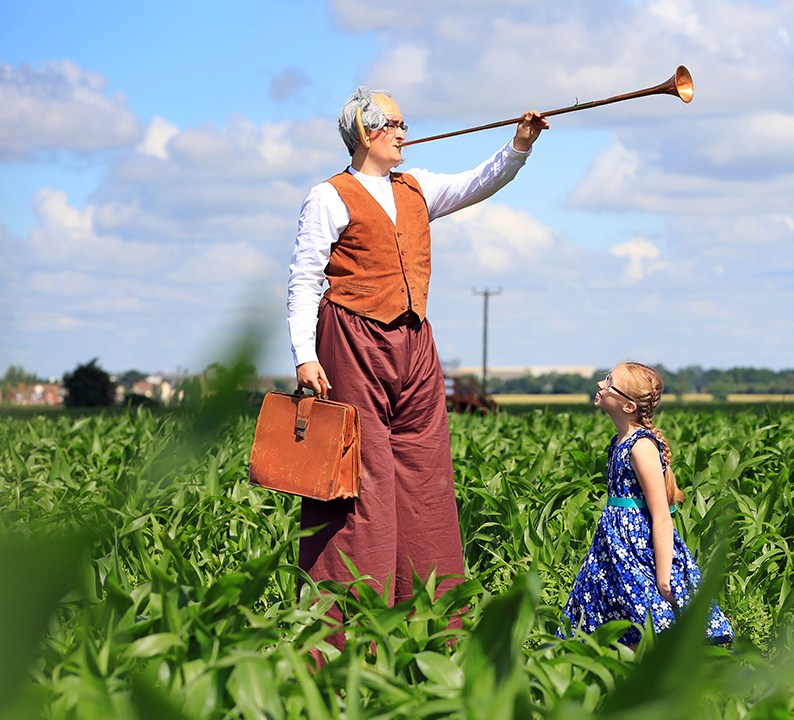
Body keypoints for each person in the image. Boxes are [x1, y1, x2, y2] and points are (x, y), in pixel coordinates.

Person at [286, 87, 549, 649]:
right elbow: (305, 279)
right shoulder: (328, 197)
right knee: (362, 480)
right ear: (368, 132)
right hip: (351, 340)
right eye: (397, 124)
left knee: (426, 473)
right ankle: (348, 631)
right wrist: (305, 356)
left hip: (415, 342)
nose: (406, 132)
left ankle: (433, 626)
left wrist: (520, 146)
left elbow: (480, 181)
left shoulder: (417, 186)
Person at [561, 362, 734, 646]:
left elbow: (662, 517)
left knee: (645, 628)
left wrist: (663, 577)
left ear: (628, 406)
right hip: (612, 550)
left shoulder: (641, 447)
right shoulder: (619, 442)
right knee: (617, 627)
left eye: (609, 381)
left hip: (637, 551)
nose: (600, 385)